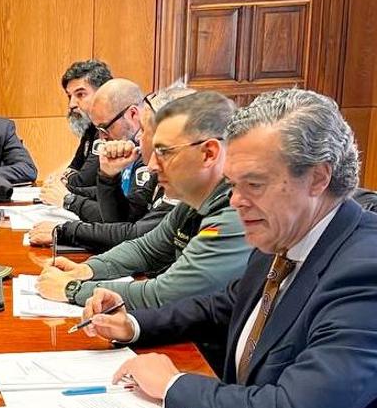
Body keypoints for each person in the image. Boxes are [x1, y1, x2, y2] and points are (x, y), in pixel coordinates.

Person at [80, 88, 377, 408]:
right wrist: (135, 325)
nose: (236, 201)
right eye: (233, 184)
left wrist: (173, 386)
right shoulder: (284, 234)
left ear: (318, 177)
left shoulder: (365, 269)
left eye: (253, 184)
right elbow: (223, 306)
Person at [37, 91, 250, 317]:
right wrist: (87, 269)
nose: (152, 166)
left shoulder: (236, 209)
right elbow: (146, 247)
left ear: (208, 153)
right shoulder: (197, 197)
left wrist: (73, 290)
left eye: (164, 152)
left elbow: (164, 294)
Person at [40, 78, 148, 222]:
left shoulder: (147, 152)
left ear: (133, 114)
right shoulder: (125, 143)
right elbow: (113, 203)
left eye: (105, 128)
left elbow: (128, 224)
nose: (102, 138)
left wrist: (69, 201)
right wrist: (67, 189)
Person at [49, 59, 113, 190]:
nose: (72, 104)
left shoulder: (109, 130)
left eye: (80, 94)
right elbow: (74, 167)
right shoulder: (90, 129)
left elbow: (84, 181)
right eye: (69, 96)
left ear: (103, 94)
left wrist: (65, 179)